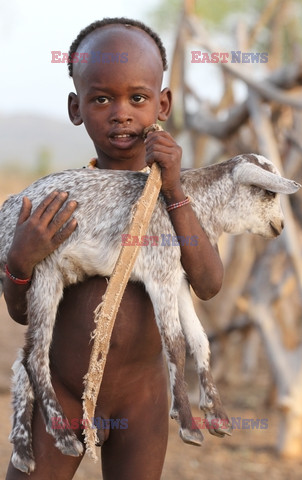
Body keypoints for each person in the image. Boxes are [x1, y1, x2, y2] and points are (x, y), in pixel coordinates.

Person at [4, 17, 224, 480]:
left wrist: (175, 191)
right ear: (76, 107)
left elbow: (207, 283)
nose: (121, 113)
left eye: (138, 98)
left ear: (162, 103)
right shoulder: (60, 203)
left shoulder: (175, 200)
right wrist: (21, 259)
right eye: (101, 98)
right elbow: (24, 313)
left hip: (140, 399)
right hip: (60, 391)